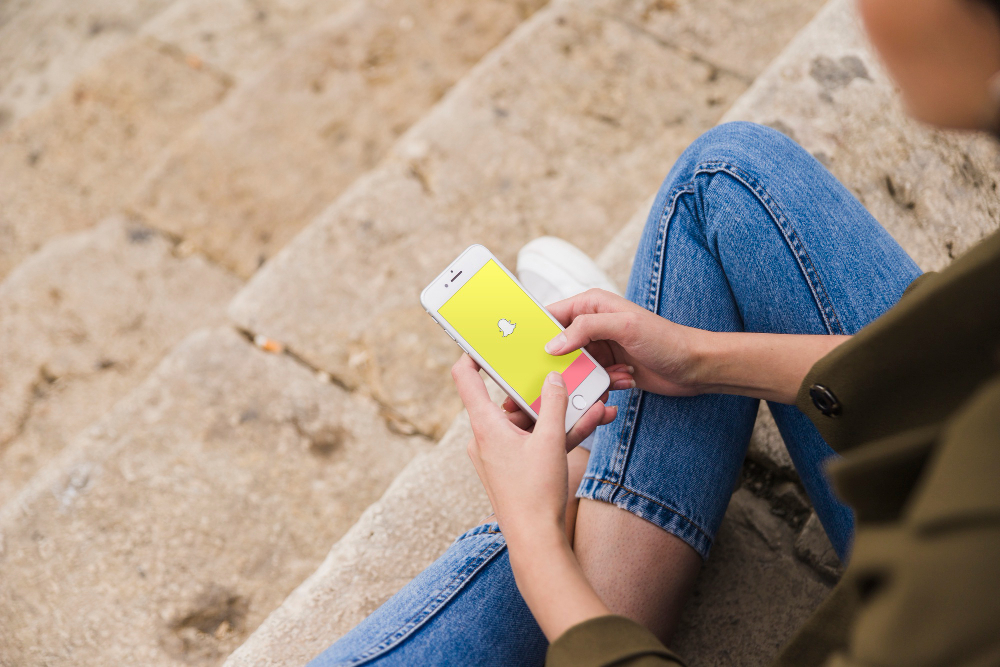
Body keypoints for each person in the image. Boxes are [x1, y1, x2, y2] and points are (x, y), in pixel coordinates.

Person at [309, 0, 1000, 664]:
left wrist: (538, 540)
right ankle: (597, 509)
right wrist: (699, 359)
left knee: (546, 532)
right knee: (723, 177)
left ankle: (588, 504)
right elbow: (969, 361)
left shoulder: (953, 613)